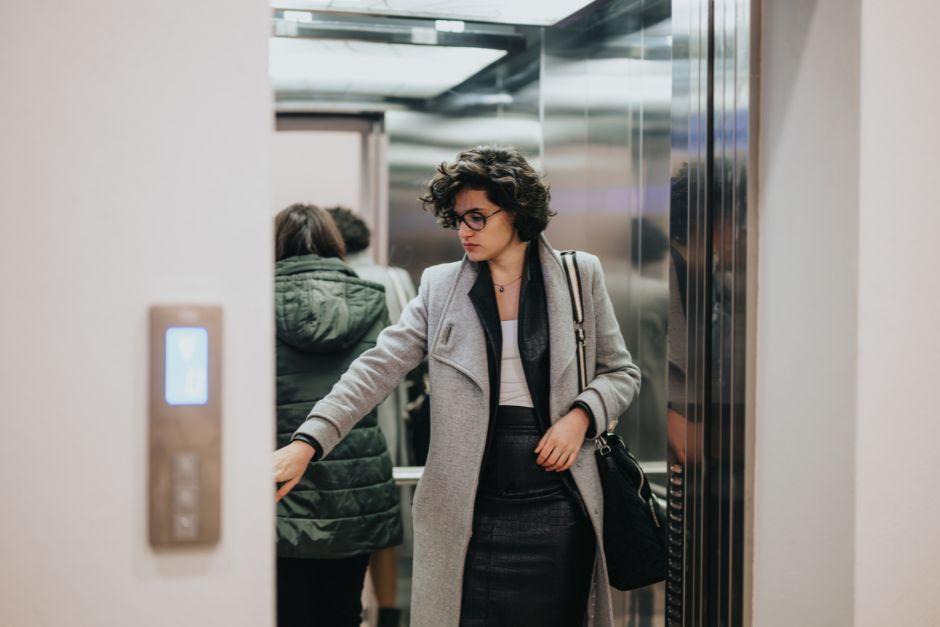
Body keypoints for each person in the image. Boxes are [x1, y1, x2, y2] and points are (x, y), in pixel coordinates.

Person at [274, 146, 641, 627]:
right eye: (457, 218)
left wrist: (580, 417)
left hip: (557, 498)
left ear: (516, 212)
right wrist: (308, 442)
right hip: (468, 500)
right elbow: (376, 368)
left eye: (477, 217)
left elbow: (621, 372)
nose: (464, 231)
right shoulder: (441, 286)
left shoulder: (578, 276)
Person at [273, 203, 403, 627]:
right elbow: (375, 386)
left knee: (284, 610)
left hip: (280, 478)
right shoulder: (371, 298)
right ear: (336, 245)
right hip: (356, 482)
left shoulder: (256, 302)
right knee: (342, 610)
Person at [326, 205, 425, 627]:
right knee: (386, 514)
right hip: (387, 411)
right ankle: (388, 614)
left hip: (338, 406)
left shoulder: (331, 281)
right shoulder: (396, 278)